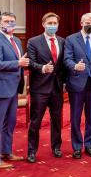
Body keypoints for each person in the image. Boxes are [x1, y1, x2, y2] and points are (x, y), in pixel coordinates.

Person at [0, 12, 28, 169]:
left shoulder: (16, 40)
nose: (10, 24)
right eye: (7, 21)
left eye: (12, 21)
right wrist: (18, 63)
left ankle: (6, 152)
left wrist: (20, 63)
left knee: (9, 123)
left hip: (12, 88)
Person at [63, 13, 91, 159]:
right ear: (81, 23)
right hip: (76, 83)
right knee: (75, 117)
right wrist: (75, 66)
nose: (90, 25)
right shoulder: (71, 39)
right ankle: (76, 147)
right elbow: (67, 59)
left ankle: (89, 145)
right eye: (87, 22)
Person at [26, 13, 66, 163]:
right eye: (49, 22)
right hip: (40, 88)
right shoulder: (33, 41)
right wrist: (42, 68)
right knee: (35, 121)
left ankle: (56, 147)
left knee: (56, 120)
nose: (52, 25)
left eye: (55, 23)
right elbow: (30, 62)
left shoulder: (62, 41)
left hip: (57, 88)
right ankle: (31, 151)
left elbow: (63, 65)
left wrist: (65, 82)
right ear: (43, 24)